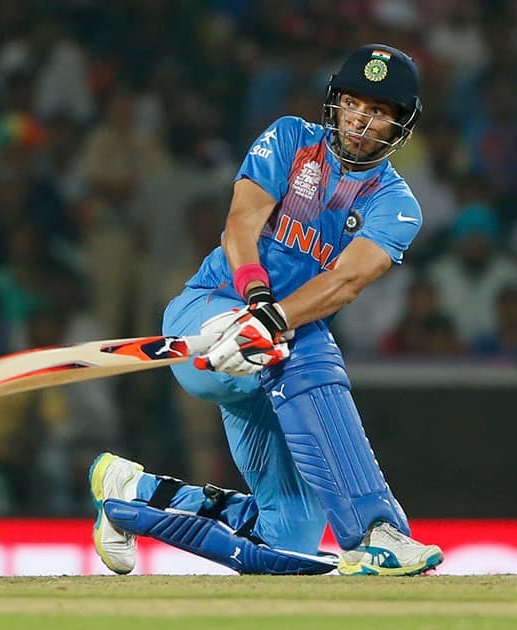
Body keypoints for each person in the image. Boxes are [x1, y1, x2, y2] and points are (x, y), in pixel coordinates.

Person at [90, 44, 444, 576]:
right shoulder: (290, 139)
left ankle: (131, 496)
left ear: (400, 125)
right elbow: (241, 224)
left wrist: (271, 321)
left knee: (287, 538)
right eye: (352, 104)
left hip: (274, 358)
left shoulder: (395, 205)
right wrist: (256, 302)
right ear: (335, 103)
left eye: (378, 112)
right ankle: (375, 530)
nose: (360, 120)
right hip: (208, 312)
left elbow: (346, 280)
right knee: (308, 339)